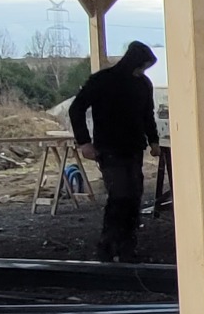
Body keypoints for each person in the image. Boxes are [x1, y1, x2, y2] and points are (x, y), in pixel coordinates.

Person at [69, 40, 161, 262]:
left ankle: (128, 248)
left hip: (134, 147)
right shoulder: (102, 81)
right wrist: (84, 142)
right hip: (109, 147)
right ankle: (107, 247)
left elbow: (147, 114)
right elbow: (76, 108)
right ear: (134, 62)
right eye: (143, 66)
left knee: (134, 197)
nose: (143, 71)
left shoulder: (143, 85)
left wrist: (154, 140)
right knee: (119, 196)